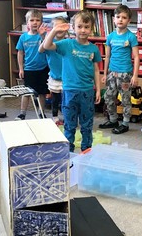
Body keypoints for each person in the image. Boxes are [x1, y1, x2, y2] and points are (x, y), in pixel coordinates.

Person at [41, 10, 102, 152]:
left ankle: (86, 150)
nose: (83, 30)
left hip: (87, 91)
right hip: (69, 91)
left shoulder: (93, 49)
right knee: (69, 123)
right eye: (79, 26)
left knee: (87, 124)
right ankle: (69, 151)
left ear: (91, 29)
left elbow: (96, 70)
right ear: (73, 28)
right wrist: (54, 30)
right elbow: (46, 46)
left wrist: (98, 89)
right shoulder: (66, 44)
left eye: (86, 27)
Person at [99, 5, 139, 134]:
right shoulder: (110, 36)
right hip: (112, 73)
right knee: (108, 97)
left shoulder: (131, 37)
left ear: (129, 20)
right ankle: (113, 120)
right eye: (118, 17)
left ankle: (125, 123)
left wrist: (135, 75)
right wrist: (105, 74)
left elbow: (136, 57)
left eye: (124, 17)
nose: (120, 19)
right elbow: (107, 56)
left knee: (125, 99)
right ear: (114, 19)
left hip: (125, 74)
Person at [16, 9, 48, 119]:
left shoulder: (43, 35)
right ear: (27, 23)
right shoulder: (23, 37)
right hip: (29, 69)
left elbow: (47, 46)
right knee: (27, 92)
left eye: (38, 20)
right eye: (32, 20)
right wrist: (21, 68)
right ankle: (22, 113)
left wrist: (43, 36)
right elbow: (20, 53)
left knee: (42, 92)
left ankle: (41, 112)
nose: (35, 22)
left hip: (43, 69)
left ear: (41, 22)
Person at [39, 16, 67, 125]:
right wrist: (44, 36)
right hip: (55, 77)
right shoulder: (50, 43)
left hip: (67, 78)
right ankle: (55, 116)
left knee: (66, 99)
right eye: (56, 27)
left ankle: (66, 116)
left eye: (61, 26)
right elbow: (41, 50)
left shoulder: (68, 43)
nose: (59, 29)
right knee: (55, 99)